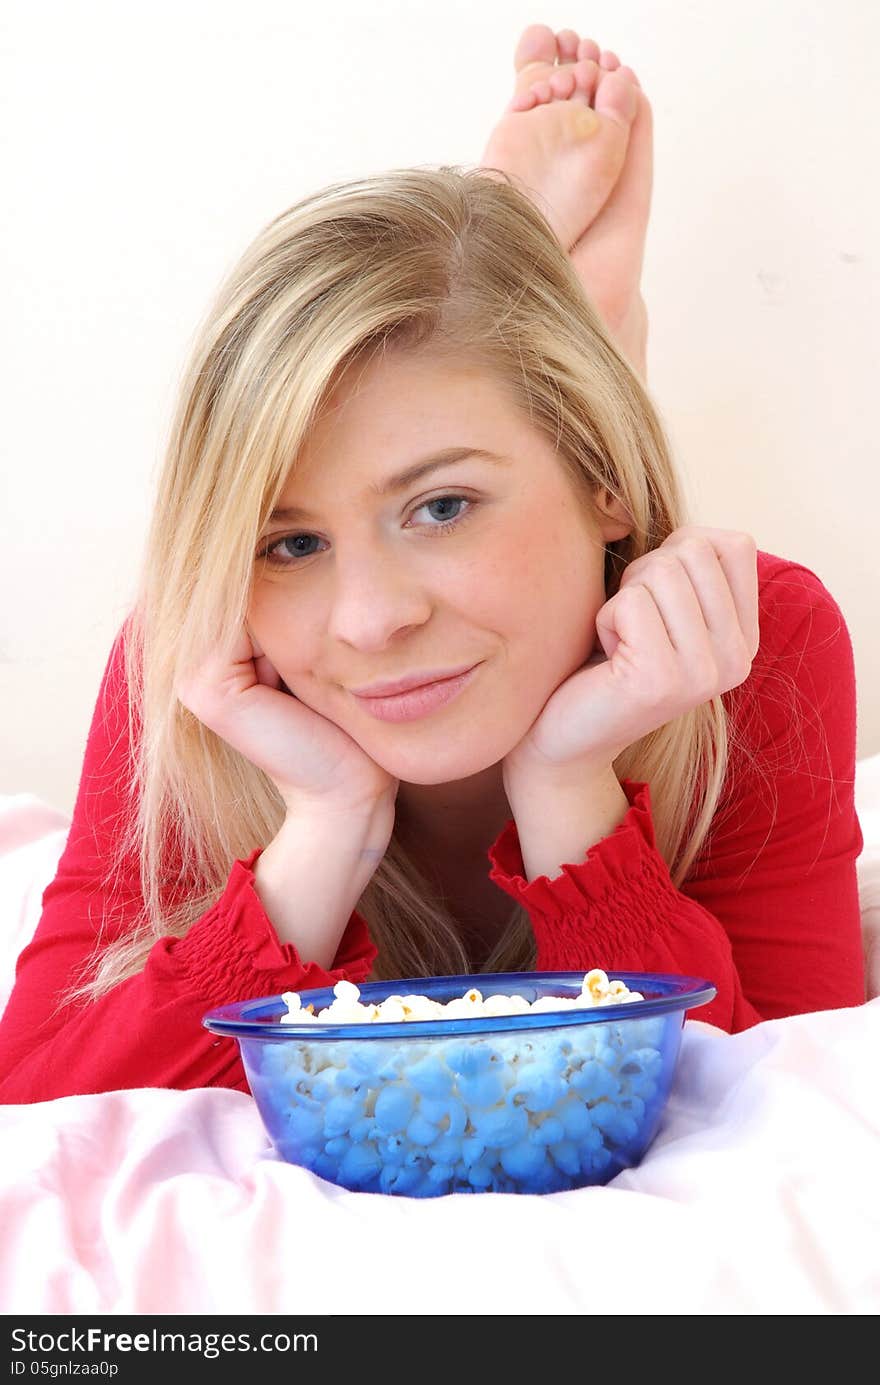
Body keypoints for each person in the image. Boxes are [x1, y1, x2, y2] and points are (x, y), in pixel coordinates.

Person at [0, 25, 865, 1104]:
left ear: (607, 477)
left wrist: (567, 790)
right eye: (291, 539)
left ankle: (551, 312)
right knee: (439, 411)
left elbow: (795, 1098)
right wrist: (323, 829)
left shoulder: (755, 638)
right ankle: (545, 308)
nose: (367, 620)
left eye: (441, 505)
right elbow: (42, 1105)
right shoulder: (199, 657)